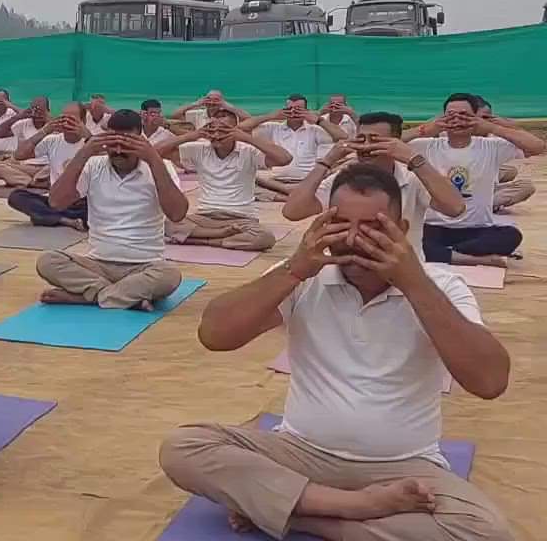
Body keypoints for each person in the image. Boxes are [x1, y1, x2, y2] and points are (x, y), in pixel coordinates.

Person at [160, 165, 513, 541]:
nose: (354, 238)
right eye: (340, 224)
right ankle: (354, 510)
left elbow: (489, 382)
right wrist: (294, 269)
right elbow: (214, 335)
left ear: (402, 231)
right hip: (298, 453)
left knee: (486, 533)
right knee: (183, 448)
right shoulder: (303, 274)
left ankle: (297, 513)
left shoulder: (441, 285)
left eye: (373, 226)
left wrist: (412, 282)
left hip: (403, 467)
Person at [35, 110, 187, 309]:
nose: (117, 151)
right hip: (97, 265)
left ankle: (86, 296)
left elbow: (177, 214)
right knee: (47, 261)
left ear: (140, 141)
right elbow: (56, 202)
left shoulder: (160, 166)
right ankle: (123, 296)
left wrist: (153, 158)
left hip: (144, 266)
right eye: (112, 143)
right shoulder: (93, 165)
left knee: (170, 276)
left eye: (126, 144)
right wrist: (85, 152)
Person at [282, 111, 465, 256]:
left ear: (396, 142)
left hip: (403, 271)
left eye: (376, 140)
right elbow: (292, 212)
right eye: (361, 140)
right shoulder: (342, 179)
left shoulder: (412, 179)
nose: (366, 147)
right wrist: (326, 161)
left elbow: (455, 208)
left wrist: (413, 158)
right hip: (349, 266)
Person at [407, 93, 544, 267]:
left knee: (511, 235)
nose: (457, 120)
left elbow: (537, 146)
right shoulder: (426, 145)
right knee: (409, 238)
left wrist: (493, 127)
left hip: (476, 228)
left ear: (475, 118)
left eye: (464, 115)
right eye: (450, 115)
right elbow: (390, 143)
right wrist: (425, 128)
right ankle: (471, 258)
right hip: (434, 226)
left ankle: (443, 253)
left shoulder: (490, 146)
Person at [158, 109, 293, 251]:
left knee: (265, 238)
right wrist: (193, 135)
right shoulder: (199, 149)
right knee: (167, 224)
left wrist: (246, 138)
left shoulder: (248, 151)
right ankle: (220, 237)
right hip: (205, 217)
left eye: (224, 130)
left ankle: (203, 240)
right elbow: (156, 152)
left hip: (241, 219)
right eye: (212, 130)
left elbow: (285, 158)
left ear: (235, 131)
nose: (217, 135)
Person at [240, 94, 350, 201]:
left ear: (306, 111)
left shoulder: (314, 129)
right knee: (250, 180)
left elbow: (342, 137)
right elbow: (242, 128)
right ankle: (287, 195)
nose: (293, 112)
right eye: (289, 109)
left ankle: (289, 194)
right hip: (276, 182)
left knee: (333, 181)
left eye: (298, 109)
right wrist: (271, 116)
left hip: (307, 181)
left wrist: (318, 120)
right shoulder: (273, 127)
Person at [7, 101, 90, 231]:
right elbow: (19, 155)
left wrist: (87, 135)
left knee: (102, 209)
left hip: (83, 203)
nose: (67, 123)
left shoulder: (91, 143)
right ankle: (66, 220)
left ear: (83, 120)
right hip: (56, 201)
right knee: (16, 196)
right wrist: (46, 130)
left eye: (72, 120)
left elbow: (108, 155)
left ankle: (45, 216)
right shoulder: (52, 140)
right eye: (63, 118)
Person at [473, 98, 537, 211]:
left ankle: (486, 203)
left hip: (483, 185)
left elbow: (535, 148)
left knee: (512, 172)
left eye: (489, 118)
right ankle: (478, 206)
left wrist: (510, 128)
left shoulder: (493, 138)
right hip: (460, 190)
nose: (488, 121)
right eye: (484, 118)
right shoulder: (449, 136)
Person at [0, 96, 52, 189]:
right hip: (25, 166)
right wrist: (19, 116)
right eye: (35, 110)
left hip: (47, 167)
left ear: (48, 110)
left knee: (61, 167)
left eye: (41, 110)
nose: (38, 114)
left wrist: (48, 119)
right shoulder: (24, 124)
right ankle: (33, 182)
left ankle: (31, 180)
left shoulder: (53, 125)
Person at [171, 90, 249, 130]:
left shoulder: (229, 116)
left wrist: (226, 105)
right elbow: (175, 115)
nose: (212, 102)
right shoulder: (197, 113)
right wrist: (196, 103)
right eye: (209, 99)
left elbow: (247, 118)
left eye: (216, 100)